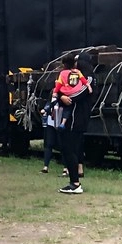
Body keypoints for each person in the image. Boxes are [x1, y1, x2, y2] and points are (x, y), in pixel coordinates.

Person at [58, 50, 94, 194]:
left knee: (71, 148)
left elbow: (76, 94)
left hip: (77, 118)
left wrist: (63, 95)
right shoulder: (76, 77)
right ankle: (73, 181)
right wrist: (61, 95)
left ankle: (75, 183)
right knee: (67, 148)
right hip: (71, 117)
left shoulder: (89, 78)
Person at [40, 95, 60, 173]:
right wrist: (45, 109)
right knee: (48, 144)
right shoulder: (52, 95)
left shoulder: (64, 93)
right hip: (51, 122)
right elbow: (49, 104)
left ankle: (66, 168)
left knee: (63, 145)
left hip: (60, 122)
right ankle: (45, 166)